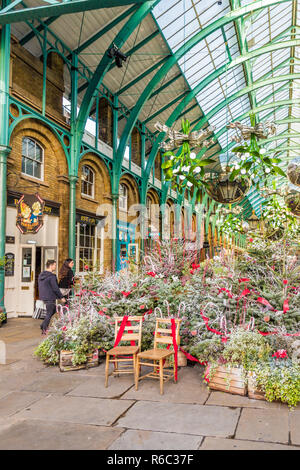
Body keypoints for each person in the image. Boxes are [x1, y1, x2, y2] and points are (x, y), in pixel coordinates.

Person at [38, 259, 66, 334]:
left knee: (52, 310)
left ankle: (43, 325)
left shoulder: (41, 275)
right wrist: (61, 297)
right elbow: (55, 288)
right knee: (49, 313)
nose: (55, 267)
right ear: (51, 265)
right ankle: (44, 329)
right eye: (54, 265)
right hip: (50, 296)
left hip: (44, 296)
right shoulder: (52, 276)